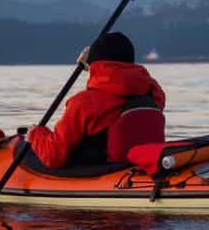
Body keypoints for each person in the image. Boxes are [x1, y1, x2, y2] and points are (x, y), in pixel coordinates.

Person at [26, 32, 166, 168]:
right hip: (139, 168)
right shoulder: (153, 95)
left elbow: (54, 156)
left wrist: (35, 133)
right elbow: (122, 80)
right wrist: (94, 65)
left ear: (96, 63)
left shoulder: (83, 103)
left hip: (101, 174)